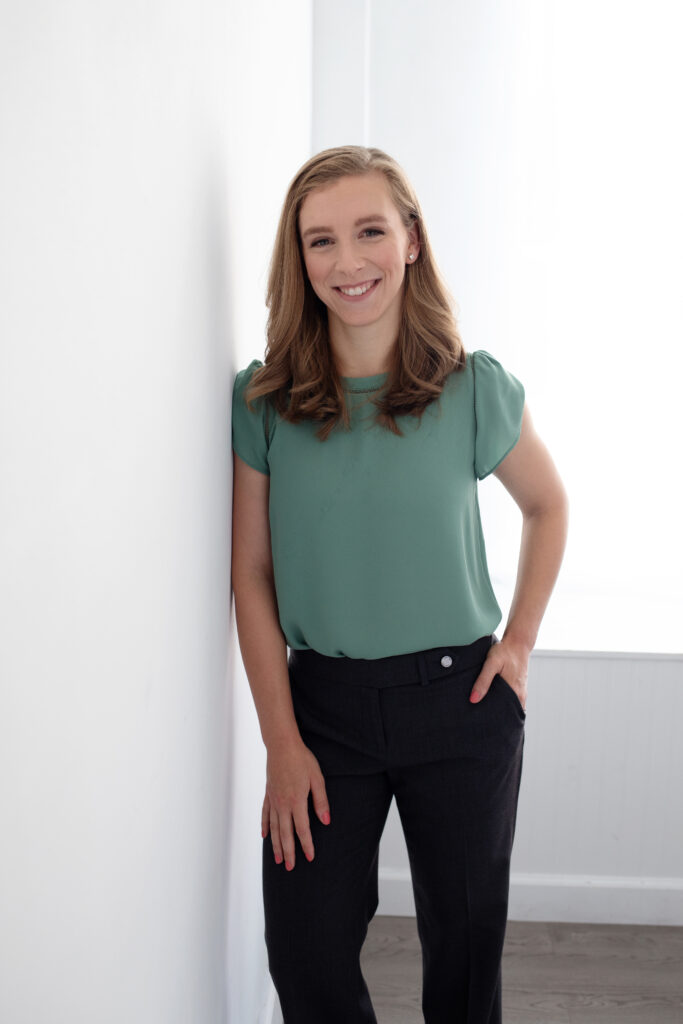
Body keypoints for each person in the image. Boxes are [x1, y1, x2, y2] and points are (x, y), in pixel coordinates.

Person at [231, 145, 569, 1024]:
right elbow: (253, 573)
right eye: (320, 241)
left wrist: (520, 642)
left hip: (459, 703)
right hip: (322, 715)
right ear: (297, 259)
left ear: (410, 240)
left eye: (370, 231)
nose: (347, 262)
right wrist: (280, 741)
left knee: (462, 963)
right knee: (303, 953)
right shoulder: (265, 401)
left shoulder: (470, 388)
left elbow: (547, 506)